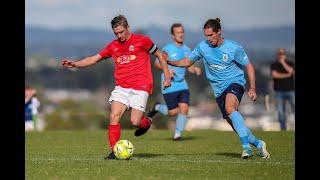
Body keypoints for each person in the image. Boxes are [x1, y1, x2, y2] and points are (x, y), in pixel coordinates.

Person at [62, 15, 171, 160]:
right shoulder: (113, 46)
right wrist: (75, 64)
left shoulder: (142, 41)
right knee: (114, 116)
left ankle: (147, 122)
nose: (119, 36)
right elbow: (94, 59)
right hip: (122, 87)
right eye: (116, 33)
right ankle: (114, 151)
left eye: (121, 32)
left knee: (135, 122)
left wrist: (167, 76)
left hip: (141, 86)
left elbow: (159, 55)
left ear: (128, 28)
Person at [166, 18, 270, 159]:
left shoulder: (233, 47)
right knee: (233, 123)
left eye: (211, 35)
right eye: (206, 36)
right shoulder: (203, 47)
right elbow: (187, 61)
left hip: (235, 83)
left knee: (230, 108)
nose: (208, 39)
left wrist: (252, 87)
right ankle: (258, 144)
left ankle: (246, 148)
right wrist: (169, 61)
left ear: (218, 32)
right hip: (218, 90)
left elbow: (249, 66)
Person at [147, 23, 202, 140]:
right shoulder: (167, 49)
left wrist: (194, 69)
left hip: (182, 84)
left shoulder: (187, 49)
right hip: (169, 85)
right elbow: (157, 63)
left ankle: (177, 134)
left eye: (182, 32)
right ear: (173, 35)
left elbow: (188, 65)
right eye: (178, 32)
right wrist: (168, 71)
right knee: (172, 112)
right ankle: (157, 107)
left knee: (185, 108)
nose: (180, 35)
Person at [270, 48, 295, 130]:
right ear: (278, 55)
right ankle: (283, 129)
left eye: (282, 54)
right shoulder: (274, 64)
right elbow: (275, 75)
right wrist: (287, 75)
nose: (281, 56)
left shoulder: (290, 63)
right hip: (279, 91)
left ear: (285, 55)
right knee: (281, 112)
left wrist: (283, 63)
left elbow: (291, 71)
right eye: (280, 54)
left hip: (290, 90)